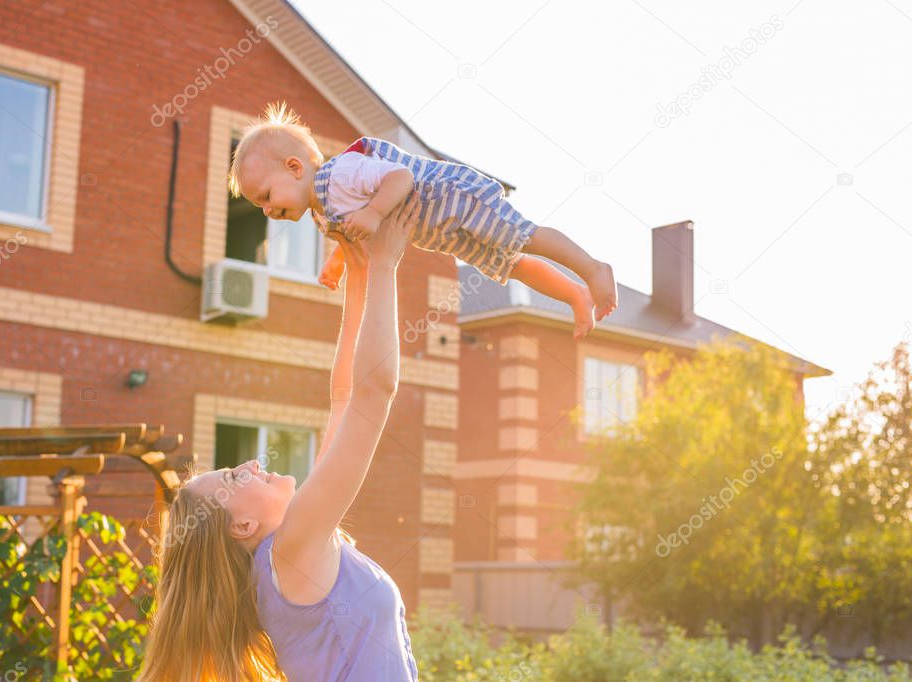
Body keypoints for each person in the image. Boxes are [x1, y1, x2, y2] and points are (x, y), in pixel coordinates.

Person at [137, 196, 421, 681]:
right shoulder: (291, 551)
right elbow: (375, 393)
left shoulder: (291, 554)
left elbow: (345, 395)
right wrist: (385, 263)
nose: (248, 465)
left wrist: (358, 276)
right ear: (242, 527)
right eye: (231, 475)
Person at [229, 102, 618, 340]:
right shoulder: (321, 210)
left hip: (453, 196)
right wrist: (337, 262)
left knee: (522, 237)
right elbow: (351, 233)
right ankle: (574, 294)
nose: (265, 210)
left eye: (265, 196)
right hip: (442, 231)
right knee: (511, 266)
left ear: (295, 167)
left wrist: (375, 211)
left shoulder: (343, 172)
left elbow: (402, 178)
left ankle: (592, 268)